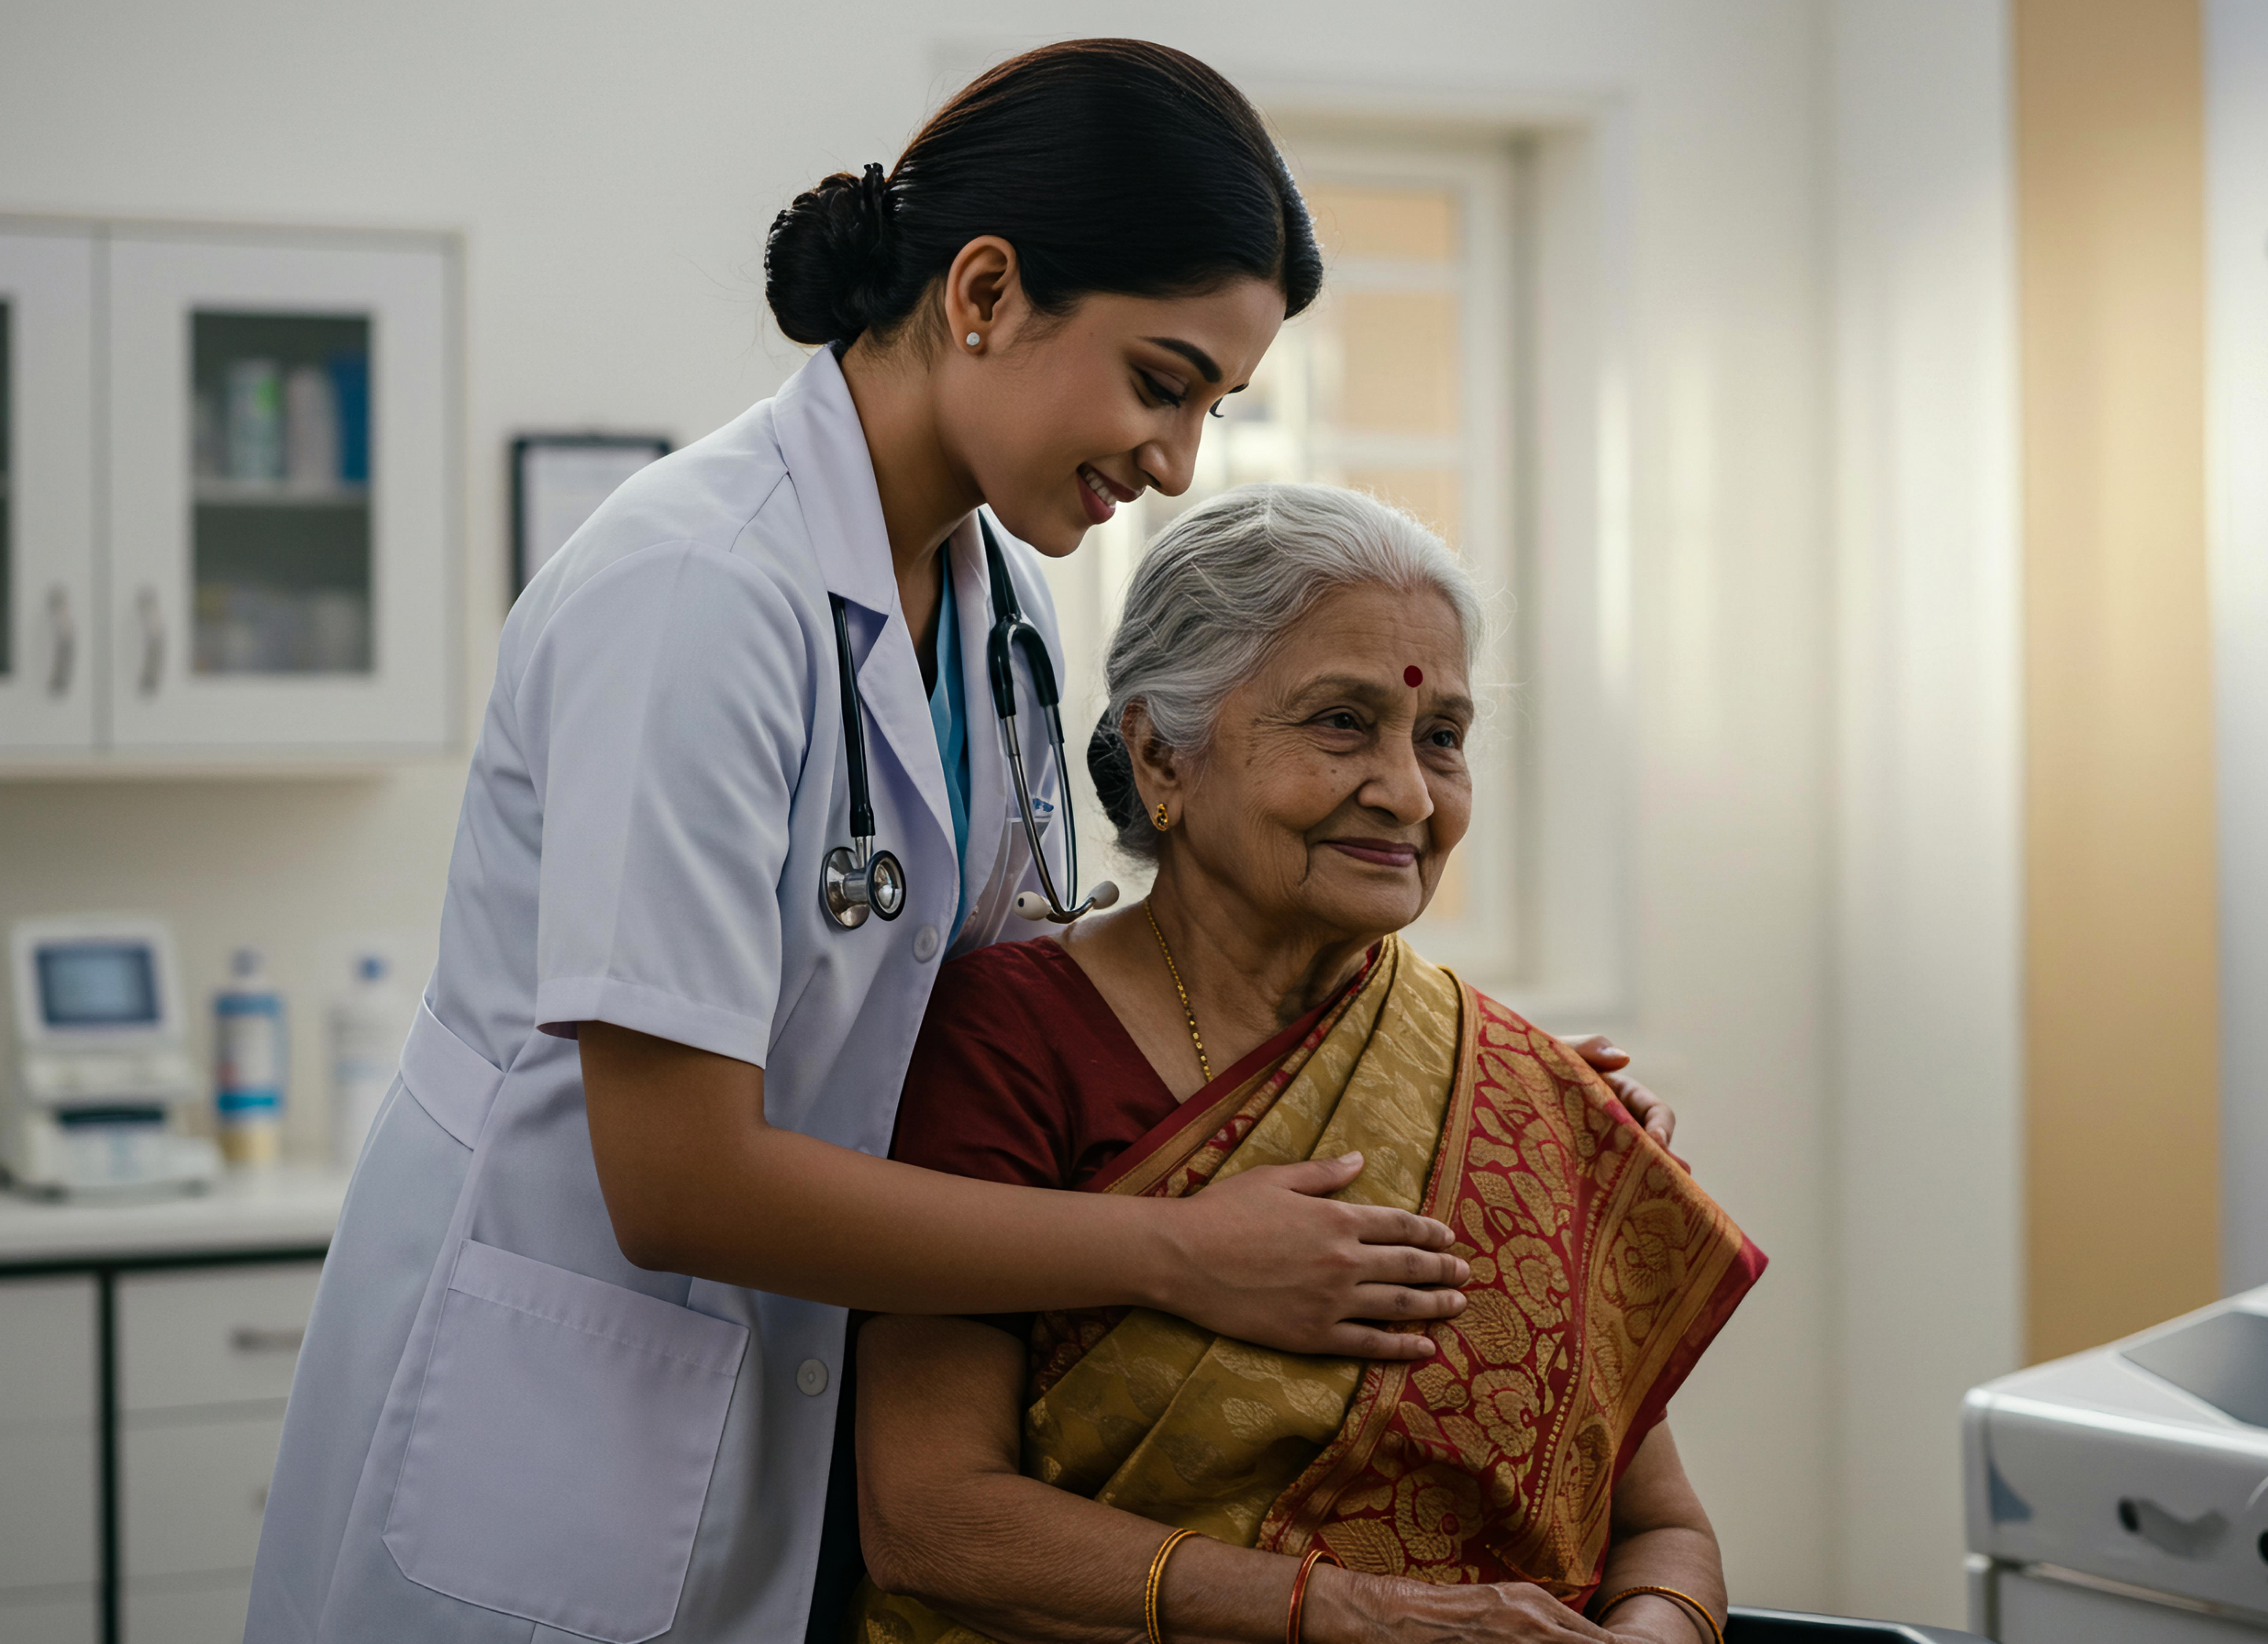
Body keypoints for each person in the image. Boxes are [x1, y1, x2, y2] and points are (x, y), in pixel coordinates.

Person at [245, 40, 1670, 1644]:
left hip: (794, 1425)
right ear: (983, 294)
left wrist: (1479, 1091)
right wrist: (1181, 1255)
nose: (1175, 461)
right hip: (558, 1437)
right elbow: (676, 1181)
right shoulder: (697, 590)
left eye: (1213, 405)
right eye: (1160, 379)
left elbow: (1009, 1001)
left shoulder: (995, 606)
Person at [849, 486, 1765, 1644]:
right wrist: (1357, 1617)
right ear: (1159, 755)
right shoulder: (1013, 1039)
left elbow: (1663, 1528)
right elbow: (932, 1519)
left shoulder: (1507, 1088)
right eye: (1341, 722)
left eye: (1441, 739)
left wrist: (1652, 1633)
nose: (1409, 792)